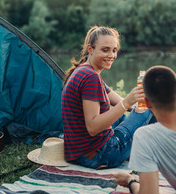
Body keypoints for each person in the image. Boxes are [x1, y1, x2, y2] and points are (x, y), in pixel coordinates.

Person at [61, 26, 154, 169]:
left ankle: (148, 149)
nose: (111, 55)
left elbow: (110, 95)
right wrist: (130, 102)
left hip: (80, 154)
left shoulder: (82, 70)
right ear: (90, 49)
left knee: (127, 116)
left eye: (114, 50)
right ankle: (164, 151)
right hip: (102, 154)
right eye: (105, 50)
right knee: (152, 107)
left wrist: (134, 108)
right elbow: (92, 127)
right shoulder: (91, 78)